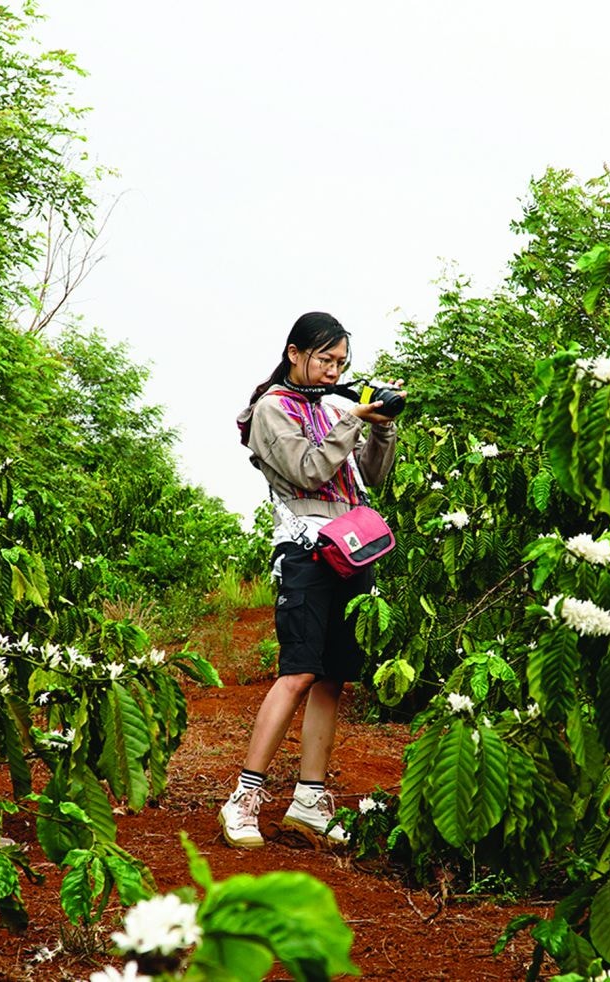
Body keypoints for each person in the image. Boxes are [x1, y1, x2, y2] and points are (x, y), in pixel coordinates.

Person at [222, 311, 400, 847]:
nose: (333, 371)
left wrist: (383, 426)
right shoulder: (270, 410)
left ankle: (309, 799)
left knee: (332, 678)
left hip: (352, 547)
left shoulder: (335, 409)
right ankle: (245, 799)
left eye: (341, 362)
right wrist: (353, 421)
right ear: (295, 352)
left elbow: (372, 477)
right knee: (298, 671)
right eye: (325, 359)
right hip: (304, 551)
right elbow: (307, 471)